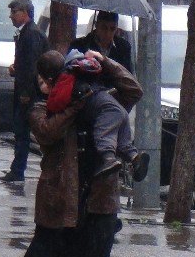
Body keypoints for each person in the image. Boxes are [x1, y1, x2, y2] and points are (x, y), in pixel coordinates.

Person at [0, 50, 142, 257]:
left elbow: (132, 90)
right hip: (63, 203)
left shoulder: (100, 102)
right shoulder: (42, 108)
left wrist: (104, 62)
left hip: (100, 199)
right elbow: (48, 132)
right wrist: (77, 102)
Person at [46, 50, 149, 181]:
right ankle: (134, 157)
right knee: (123, 142)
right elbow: (47, 130)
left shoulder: (71, 88)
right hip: (117, 112)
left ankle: (108, 159)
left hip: (94, 180)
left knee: (104, 135)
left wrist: (105, 61)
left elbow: (135, 90)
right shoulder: (99, 91)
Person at [0, 0, 49, 183]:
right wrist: (15, 69)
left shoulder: (31, 33)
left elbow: (32, 66)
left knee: (23, 131)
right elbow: (25, 64)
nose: (10, 16)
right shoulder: (26, 32)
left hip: (29, 93)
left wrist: (26, 93)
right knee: (20, 131)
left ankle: (18, 170)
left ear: (25, 13)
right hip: (25, 90)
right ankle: (17, 169)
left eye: (14, 12)